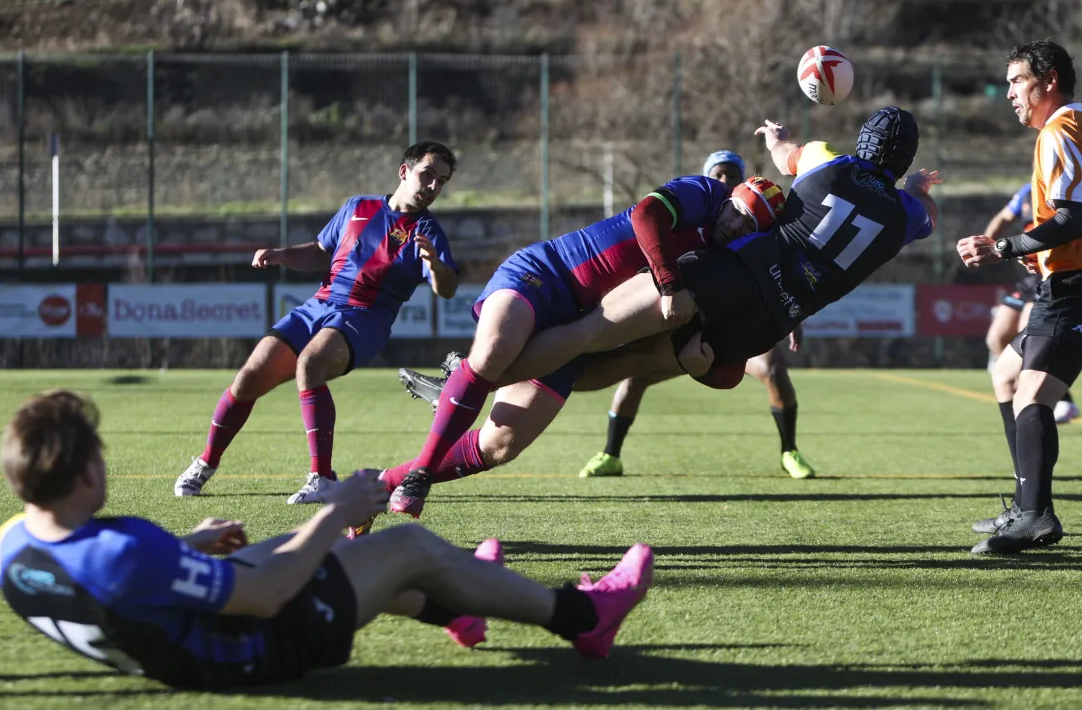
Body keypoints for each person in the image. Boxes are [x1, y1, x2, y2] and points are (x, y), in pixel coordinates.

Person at [383, 107, 937, 520]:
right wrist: (914, 188)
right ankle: (467, 388)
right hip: (768, 317)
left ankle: (467, 383)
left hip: (727, 281)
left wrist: (780, 139)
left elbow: (788, 158)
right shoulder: (906, 215)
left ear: (863, 140)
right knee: (620, 359)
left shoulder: (827, 165)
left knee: (591, 338)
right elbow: (926, 214)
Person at [0, 390, 655, 689]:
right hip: (247, 650)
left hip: (178, 635)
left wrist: (188, 547)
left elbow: (117, 578)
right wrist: (337, 509)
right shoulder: (124, 554)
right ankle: (584, 617)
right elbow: (263, 595)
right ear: (85, 471)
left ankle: (461, 607)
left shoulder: (13, 547)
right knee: (404, 550)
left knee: (305, 548)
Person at [387, 172, 787, 518]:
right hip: (548, 274)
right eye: (739, 212)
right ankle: (423, 468)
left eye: (749, 226)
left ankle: (383, 482)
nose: (738, 225)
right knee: (493, 355)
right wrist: (669, 285)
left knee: (499, 446)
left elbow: (726, 366)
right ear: (730, 196)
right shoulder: (706, 193)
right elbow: (647, 215)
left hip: (581, 330)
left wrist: (698, 364)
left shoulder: (723, 264)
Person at [173, 142, 461, 505]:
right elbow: (322, 251)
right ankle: (206, 463)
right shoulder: (358, 207)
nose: (433, 187)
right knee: (248, 377)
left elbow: (447, 288)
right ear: (405, 172)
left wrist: (434, 265)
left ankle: (321, 477)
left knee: (309, 365)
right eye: (428, 175)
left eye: (442, 182)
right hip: (319, 304)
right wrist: (282, 255)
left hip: (365, 316)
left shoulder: (428, 232)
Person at [576, 149, 817, 481]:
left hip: (728, 328)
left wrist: (794, 320)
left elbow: (776, 275)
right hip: (686, 323)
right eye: (717, 174)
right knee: (634, 375)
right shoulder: (693, 214)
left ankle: (790, 451)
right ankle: (610, 454)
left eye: (732, 175)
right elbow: (650, 228)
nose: (724, 180)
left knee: (773, 368)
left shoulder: (755, 229)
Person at [957, 39, 1082, 553]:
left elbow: (1074, 215)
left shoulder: (1059, 130)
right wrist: (1038, 250)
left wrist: (1005, 247)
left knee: (1034, 396)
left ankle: (1035, 517)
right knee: (1006, 373)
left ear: (1047, 80)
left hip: (1073, 290)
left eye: (1016, 81)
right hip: (1062, 281)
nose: (1009, 92)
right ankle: (1027, 503)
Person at [982, 183, 1079, 423]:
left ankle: (1061, 400)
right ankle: (1023, 389)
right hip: (1028, 277)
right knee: (996, 338)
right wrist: (988, 244)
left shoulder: (1068, 191)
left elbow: (1065, 228)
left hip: (1051, 274)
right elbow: (1004, 217)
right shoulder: (1027, 191)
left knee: (1028, 332)